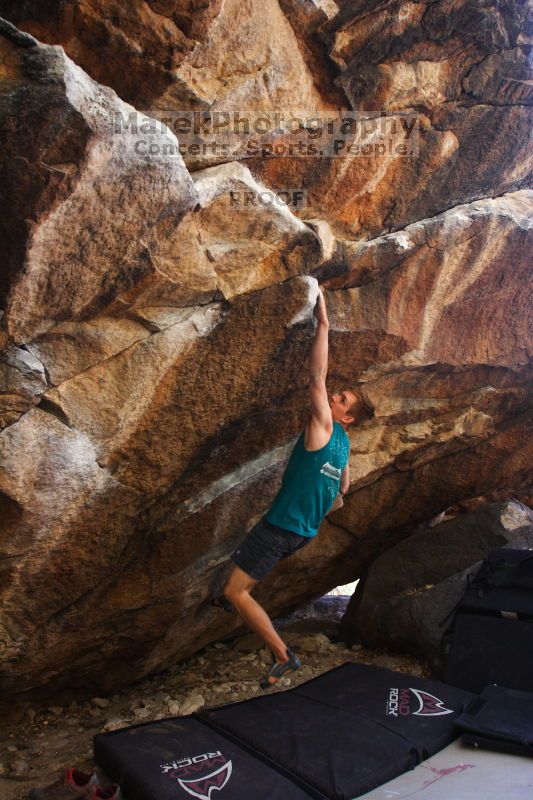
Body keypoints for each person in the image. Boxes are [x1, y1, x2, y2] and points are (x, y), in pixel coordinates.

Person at [215, 288, 373, 688]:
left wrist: (322, 325)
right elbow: (343, 488)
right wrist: (324, 497)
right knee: (243, 584)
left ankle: (283, 656)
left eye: (341, 400)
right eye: (338, 396)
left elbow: (316, 377)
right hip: (301, 533)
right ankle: (261, 630)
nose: (333, 397)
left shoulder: (324, 427)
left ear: (346, 417)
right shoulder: (344, 444)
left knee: (236, 592)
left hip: (280, 527)